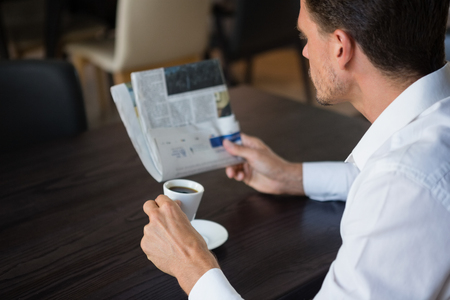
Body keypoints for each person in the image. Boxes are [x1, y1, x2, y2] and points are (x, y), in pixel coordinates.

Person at [140, 0, 450, 298]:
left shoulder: (404, 184)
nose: (303, 50)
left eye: (305, 36)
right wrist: (288, 176)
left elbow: (401, 189)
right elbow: (389, 183)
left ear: (340, 47)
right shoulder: (430, 131)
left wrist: (191, 264)